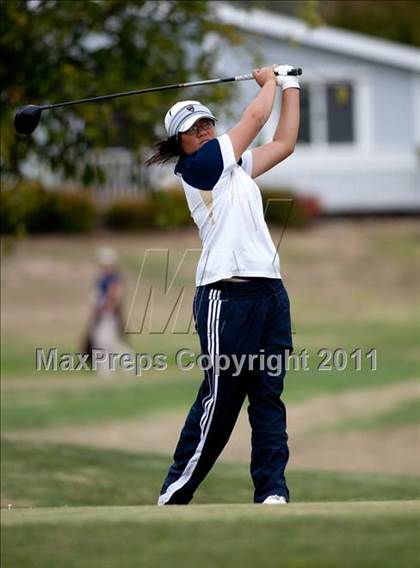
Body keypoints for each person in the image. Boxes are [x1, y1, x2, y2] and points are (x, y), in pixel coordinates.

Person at [146, 65, 300, 505]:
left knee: (268, 399)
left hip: (270, 294)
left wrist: (290, 86)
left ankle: (272, 493)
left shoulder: (234, 170)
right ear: (183, 144)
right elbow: (253, 121)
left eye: (209, 123)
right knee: (221, 404)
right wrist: (268, 80)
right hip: (225, 298)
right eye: (196, 129)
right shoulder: (198, 170)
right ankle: (174, 493)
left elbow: (284, 143)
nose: (206, 130)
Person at [84, 246, 129, 375]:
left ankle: (111, 369)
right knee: (106, 341)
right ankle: (109, 369)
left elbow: (115, 296)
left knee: (106, 342)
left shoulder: (112, 278)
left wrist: (106, 308)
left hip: (107, 315)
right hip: (102, 315)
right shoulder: (103, 278)